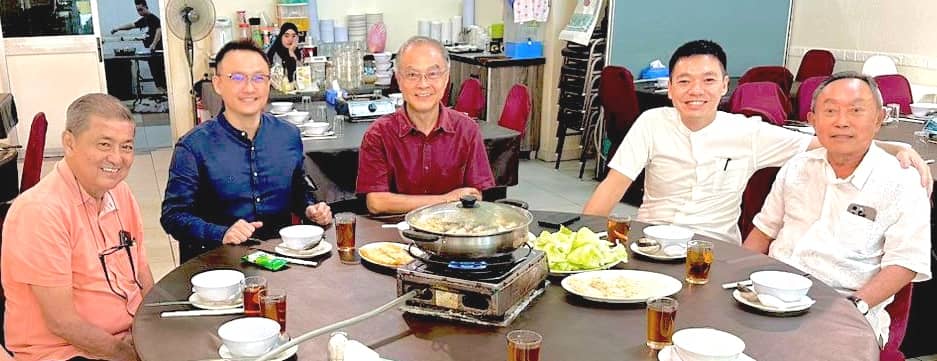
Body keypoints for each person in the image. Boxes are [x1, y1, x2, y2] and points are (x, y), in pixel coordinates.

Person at [582, 39, 930, 244]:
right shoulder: (652, 122)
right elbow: (614, 186)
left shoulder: (748, 131)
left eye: (708, 80)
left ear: (723, 87)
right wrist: (580, 237)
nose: (696, 91)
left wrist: (897, 148)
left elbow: (824, 141)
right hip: (651, 241)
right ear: (670, 88)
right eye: (684, 81)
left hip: (714, 252)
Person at [743, 72, 931, 345]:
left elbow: (905, 263)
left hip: (844, 308)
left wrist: (854, 306)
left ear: (879, 118)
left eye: (856, 110)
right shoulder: (797, 167)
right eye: (830, 110)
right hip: (771, 296)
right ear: (813, 120)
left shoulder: (901, 182)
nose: (842, 121)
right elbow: (764, 230)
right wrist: (740, 278)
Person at [1, 93, 154, 361]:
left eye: (126, 147)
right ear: (69, 143)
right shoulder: (40, 212)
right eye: (104, 144)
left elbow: (142, 274)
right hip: (65, 352)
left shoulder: (121, 193)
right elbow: (62, 323)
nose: (117, 159)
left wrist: (154, 330)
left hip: (127, 337)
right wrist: (133, 354)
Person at [161, 40, 332, 262]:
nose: (250, 88)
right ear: (218, 84)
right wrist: (220, 233)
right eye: (238, 78)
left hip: (280, 261)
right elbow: (173, 216)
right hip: (217, 266)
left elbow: (298, 191)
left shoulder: (288, 136)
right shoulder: (193, 146)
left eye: (259, 77)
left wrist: (310, 209)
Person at [356, 36, 495, 214]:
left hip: (453, 232)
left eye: (433, 74)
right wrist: (447, 199)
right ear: (399, 79)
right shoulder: (378, 134)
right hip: (397, 236)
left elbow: (474, 195)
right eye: (412, 75)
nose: (423, 84)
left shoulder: (467, 130)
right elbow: (376, 202)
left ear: (446, 78)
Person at [110, 0, 166, 91]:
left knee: (160, 78)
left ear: (146, 7)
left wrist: (154, 44)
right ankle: (163, 94)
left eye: (141, 9)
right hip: (151, 53)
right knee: (157, 78)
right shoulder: (144, 19)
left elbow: (159, 30)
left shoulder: (153, 18)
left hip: (157, 53)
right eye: (137, 10)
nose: (139, 12)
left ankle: (166, 95)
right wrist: (118, 28)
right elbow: (131, 25)